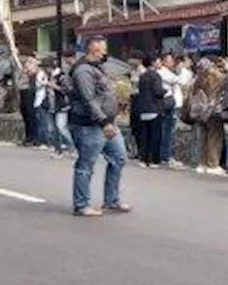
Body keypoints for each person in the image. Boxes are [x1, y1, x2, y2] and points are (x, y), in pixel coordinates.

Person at [69, 36, 130, 217]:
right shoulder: (83, 71)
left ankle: (111, 200)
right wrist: (103, 122)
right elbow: (89, 100)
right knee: (86, 164)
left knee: (119, 158)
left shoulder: (98, 68)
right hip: (90, 125)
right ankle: (81, 205)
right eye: (103, 50)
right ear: (93, 50)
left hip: (108, 122)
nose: (105, 53)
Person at [194, 61, 227, 173]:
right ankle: (213, 164)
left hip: (199, 111)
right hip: (213, 111)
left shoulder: (198, 79)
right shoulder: (217, 77)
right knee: (215, 138)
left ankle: (202, 163)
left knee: (203, 138)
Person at [134, 56, 166, 168]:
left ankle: (143, 159)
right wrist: (165, 91)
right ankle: (153, 160)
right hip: (154, 108)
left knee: (144, 135)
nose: (160, 62)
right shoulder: (156, 76)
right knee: (155, 135)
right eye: (159, 60)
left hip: (143, 108)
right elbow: (158, 91)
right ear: (153, 63)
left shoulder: (142, 76)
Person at [157, 52, 185, 167]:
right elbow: (181, 81)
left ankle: (165, 155)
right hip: (169, 105)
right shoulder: (163, 73)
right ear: (163, 61)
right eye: (169, 61)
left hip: (173, 105)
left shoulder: (169, 72)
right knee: (168, 132)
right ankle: (166, 156)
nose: (172, 63)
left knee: (169, 131)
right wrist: (183, 70)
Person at [50, 56, 76, 156]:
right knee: (55, 129)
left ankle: (72, 147)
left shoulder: (62, 77)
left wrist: (54, 86)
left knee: (61, 127)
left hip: (62, 105)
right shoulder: (53, 76)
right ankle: (58, 149)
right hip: (54, 104)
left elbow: (66, 90)